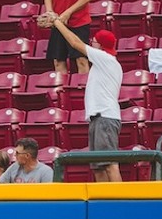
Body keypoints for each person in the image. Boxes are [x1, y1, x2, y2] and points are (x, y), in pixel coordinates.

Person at [51, 21, 124, 183]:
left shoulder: (105, 58)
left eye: (95, 41)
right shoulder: (104, 62)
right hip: (97, 118)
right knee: (98, 167)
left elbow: (75, 43)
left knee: (110, 165)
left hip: (105, 117)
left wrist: (57, 22)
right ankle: (104, 203)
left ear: (101, 45)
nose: (91, 43)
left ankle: (119, 203)